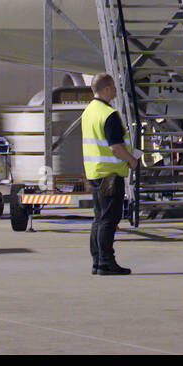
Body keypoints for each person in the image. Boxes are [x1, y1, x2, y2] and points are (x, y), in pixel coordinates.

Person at [81, 72, 141, 275]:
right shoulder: (109, 114)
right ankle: (106, 262)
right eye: (114, 87)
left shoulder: (89, 111)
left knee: (98, 218)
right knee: (109, 219)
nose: (116, 90)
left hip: (94, 172)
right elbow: (115, 147)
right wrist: (131, 160)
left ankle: (98, 261)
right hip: (110, 174)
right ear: (106, 89)